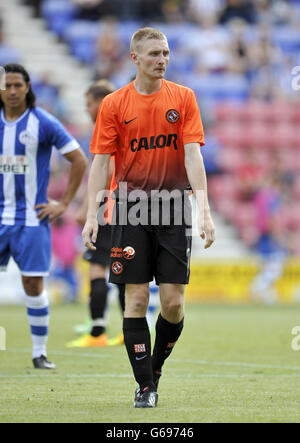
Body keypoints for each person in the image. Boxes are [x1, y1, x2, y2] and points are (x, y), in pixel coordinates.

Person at [82, 28, 215, 408]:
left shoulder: (184, 98)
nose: (163, 59)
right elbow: (101, 162)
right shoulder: (113, 104)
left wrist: (203, 209)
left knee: (173, 304)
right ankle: (144, 387)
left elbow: (193, 156)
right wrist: (93, 214)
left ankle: (152, 372)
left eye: (167, 53)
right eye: (155, 53)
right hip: (129, 207)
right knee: (135, 298)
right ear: (134, 58)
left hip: (173, 205)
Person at [0, 64, 87, 369]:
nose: (11, 91)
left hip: (32, 219)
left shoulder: (43, 122)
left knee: (33, 284)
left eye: (17, 85)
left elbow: (78, 159)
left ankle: (39, 353)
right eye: (6, 85)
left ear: (27, 88)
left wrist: (63, 204)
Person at [66, 80, 126, 348]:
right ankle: (129, 330)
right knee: (125, 271)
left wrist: (88, 209)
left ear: (100, 102)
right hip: (127, 207)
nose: (87, 109)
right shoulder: (125, 122)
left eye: (89, 103)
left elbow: (109, 170)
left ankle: (97, 333)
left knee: (97, 268)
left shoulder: (108, 126)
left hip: (108, 208)